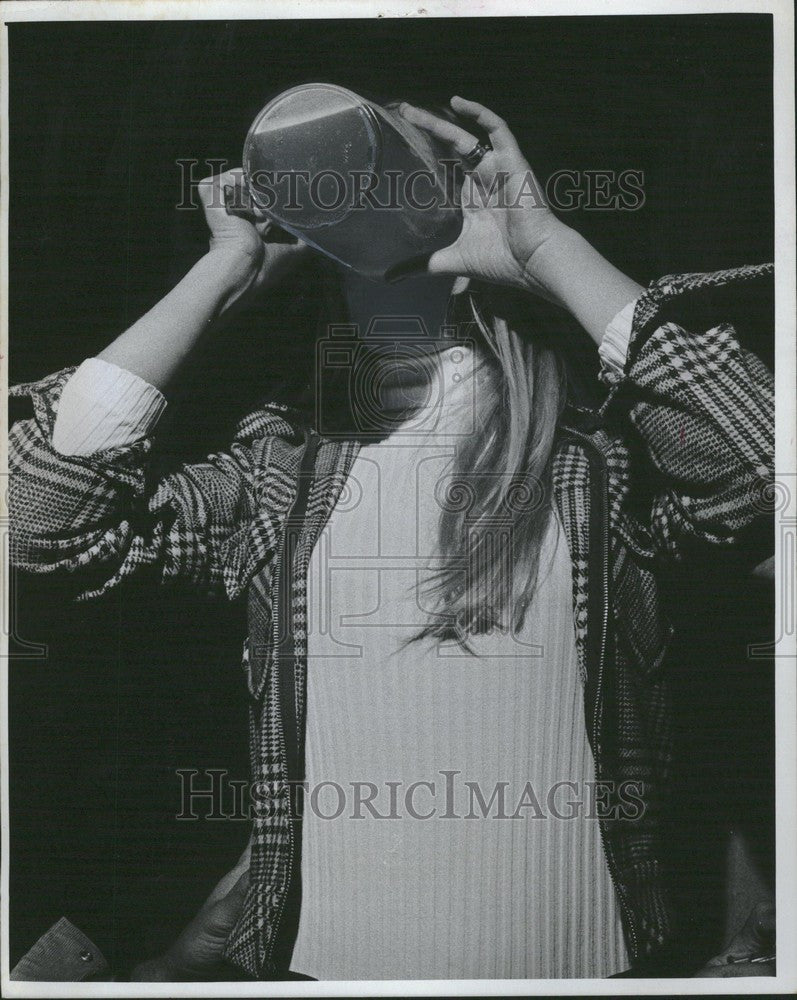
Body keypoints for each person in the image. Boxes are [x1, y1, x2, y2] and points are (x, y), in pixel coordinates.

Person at [9, 96, 775, 980]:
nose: (360, 208)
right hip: (322, 974)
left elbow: (766, 471)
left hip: (587, 974)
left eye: (388, 180)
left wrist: (545, 248)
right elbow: (36, 523)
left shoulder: (604, 460)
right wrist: (222, 273)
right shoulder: (278, 473)